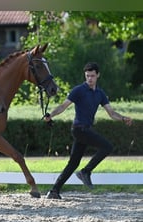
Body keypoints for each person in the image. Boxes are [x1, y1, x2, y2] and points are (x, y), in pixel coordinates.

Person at [44, 62, 132, 199]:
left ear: (98, 75)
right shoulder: (78, 90)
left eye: (92, 76)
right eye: (87, 76)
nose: (89, 79)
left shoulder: (100, 93)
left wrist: (123, 118)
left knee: (73, 163)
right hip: (79, 129)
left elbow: (111, 113)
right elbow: (63, 106)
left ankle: (54, 191)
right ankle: (85, 172)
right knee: (107, 147)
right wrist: (50, 115)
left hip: (85, 130)